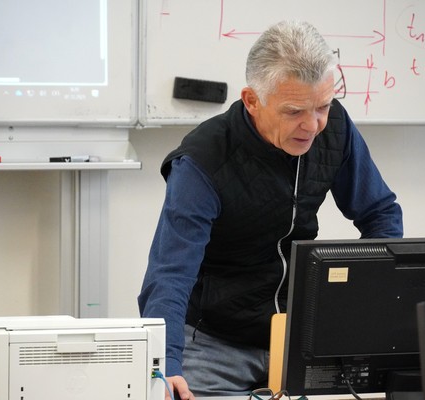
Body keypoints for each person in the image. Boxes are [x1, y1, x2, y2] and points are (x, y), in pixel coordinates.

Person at [138, 20, 403, 400]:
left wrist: (360, 305)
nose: (313, 125)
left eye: (323, 106)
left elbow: (380, 213)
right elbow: (170, 272)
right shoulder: (203, 162)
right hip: (215, 344)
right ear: (252, 100)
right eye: (294, 111)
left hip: (301, 335)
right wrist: (166, 363)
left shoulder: (335, 128)